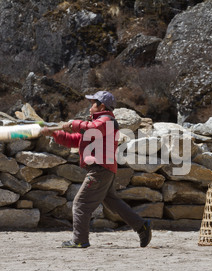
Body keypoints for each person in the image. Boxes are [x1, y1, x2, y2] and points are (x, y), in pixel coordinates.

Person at [40, 91, 152, 248]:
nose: (90, 106)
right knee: (113, 203)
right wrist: (55, 133)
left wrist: (74, 124)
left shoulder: (107, 121)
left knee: (81, 203)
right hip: (104, 169)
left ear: (102, 106)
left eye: (93, 103)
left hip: (100, 169)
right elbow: (74, 140)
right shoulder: (95, 123)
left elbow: (93, 128)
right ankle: (141, 226)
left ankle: (79, 240)